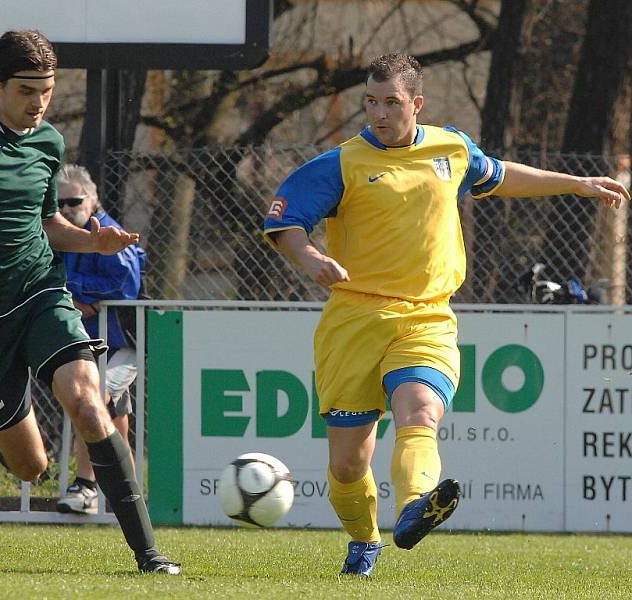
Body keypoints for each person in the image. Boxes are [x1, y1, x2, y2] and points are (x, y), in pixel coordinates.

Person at [263, 53, 629, 578]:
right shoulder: (341, 163)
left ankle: (415, 506)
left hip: (428, 315)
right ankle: (365, 542)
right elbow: (285, 219)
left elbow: (501, 176)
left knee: (420, 412)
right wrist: (310, 257)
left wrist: (575, 183)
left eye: (391, 102)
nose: (379, 113)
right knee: (348, 463)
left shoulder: (451, 148)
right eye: (370, 102)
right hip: (355, 319)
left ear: (417, 104)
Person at [0, 30, 179, 574]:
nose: (39, 102)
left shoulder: (49, 142)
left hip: (40, 292)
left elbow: (47, 223)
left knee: (89, 403)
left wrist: (92, 241)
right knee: (30, 466)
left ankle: (149, 553)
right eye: (25, 90)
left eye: (46, 89)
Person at [53, 163, 147, 516]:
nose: (65, 209)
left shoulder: (109, 233)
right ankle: (130, 494)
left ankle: (86, 486)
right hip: (89, 344)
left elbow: (124, 286)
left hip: (123, 345)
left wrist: (76, 295)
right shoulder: (63, 236)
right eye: (59, 203)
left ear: (92, 200)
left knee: (92, 401)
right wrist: (75, 298)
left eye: (73, 201)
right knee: (114, 416)